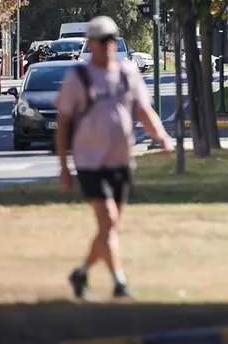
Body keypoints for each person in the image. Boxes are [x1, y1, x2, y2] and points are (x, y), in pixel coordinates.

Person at [54, 16, 173, 299]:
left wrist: (161, 136)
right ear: (90, 43)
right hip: (89, 161)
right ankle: (119, 282)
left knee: (112, 226)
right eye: (103, 40)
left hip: (120, 159)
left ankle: (81, 274)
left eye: (112, 39)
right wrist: (63, 167)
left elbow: (144, 110)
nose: (109, 45)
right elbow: (63, 124)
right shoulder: (77, 77)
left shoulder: (127, 73)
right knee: (107, 221)